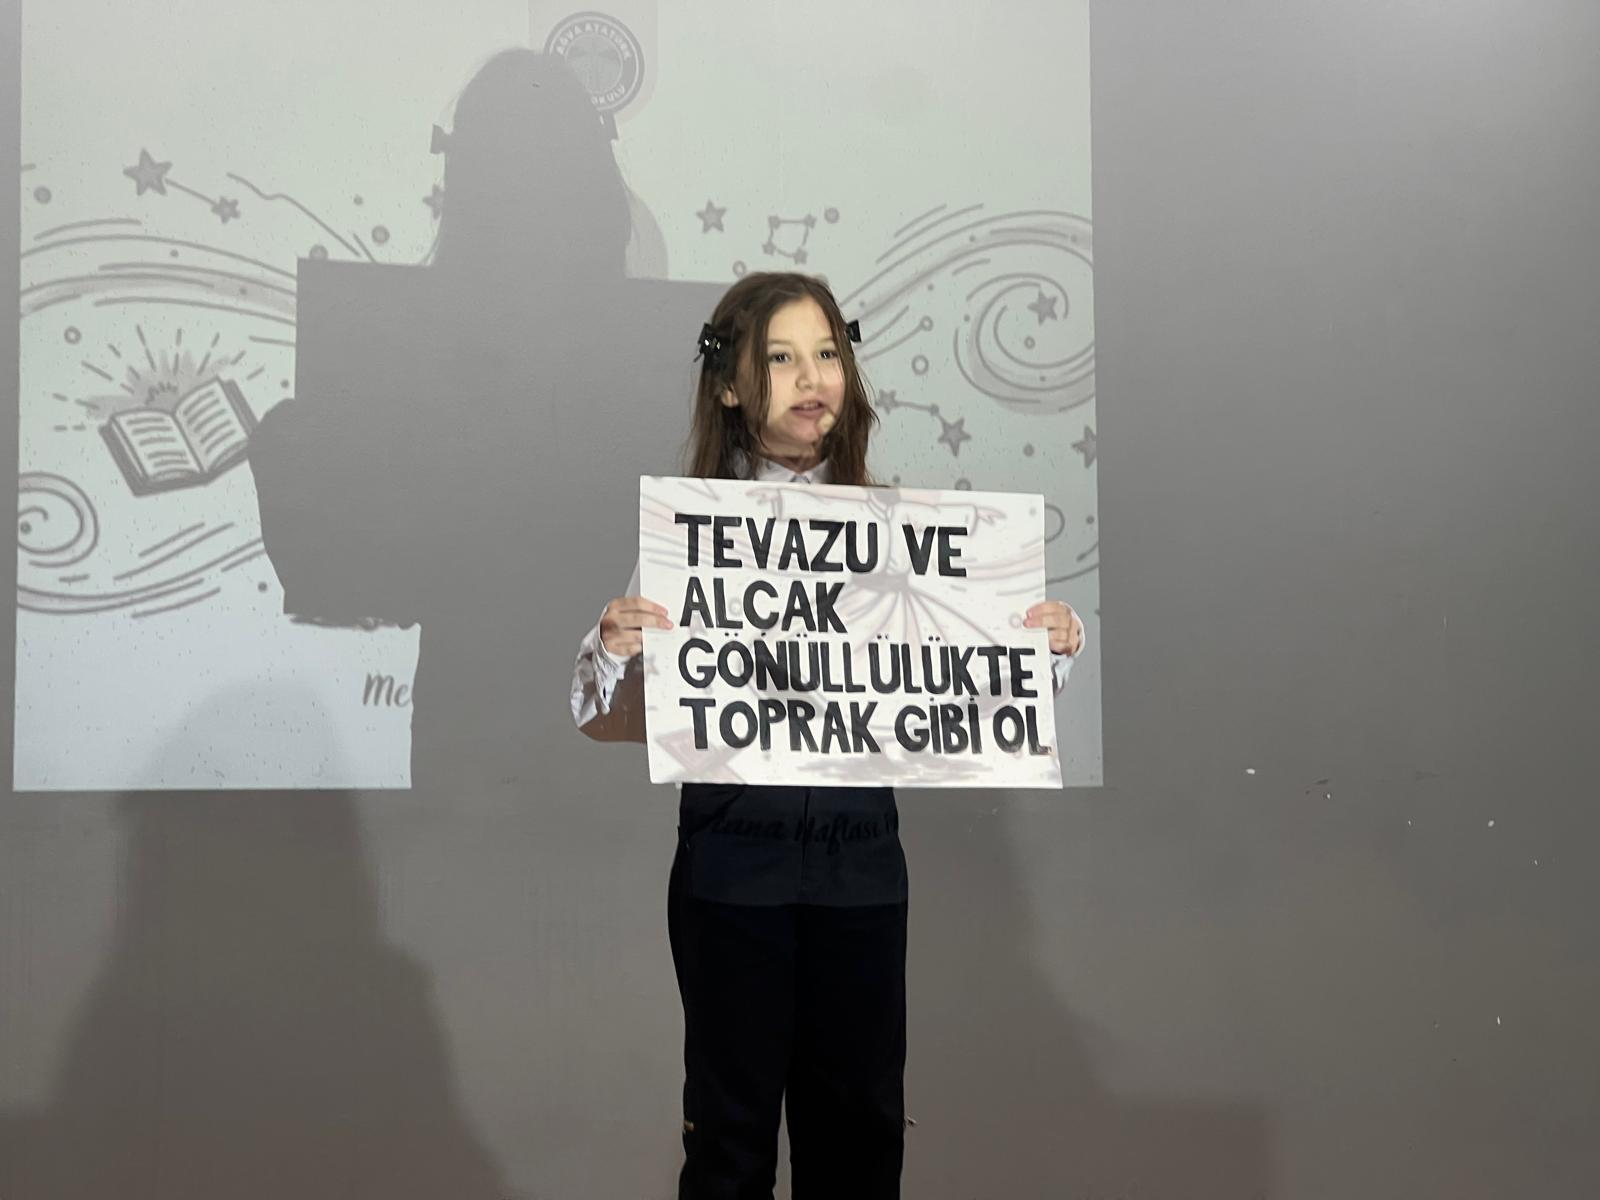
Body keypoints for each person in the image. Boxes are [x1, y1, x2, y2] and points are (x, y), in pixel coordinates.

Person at [570, 271, 1085, 1199]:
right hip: (733, 861)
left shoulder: (900, 533)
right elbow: (622, 720)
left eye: (827, 354)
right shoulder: (694, 536)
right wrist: (613, 646)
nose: (812, 378)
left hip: (862, 865)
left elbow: (956, 696)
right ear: (731, 386)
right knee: (729, 1141)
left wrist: (1040, 650)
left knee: (859, 1137)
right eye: (781, 358)